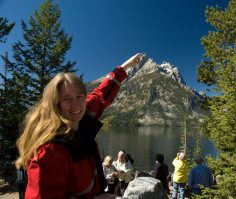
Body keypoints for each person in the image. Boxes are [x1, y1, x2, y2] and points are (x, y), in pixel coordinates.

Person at [15, 53, 143, 199]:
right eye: (67, 99)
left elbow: (100, 95)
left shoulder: (81, 115)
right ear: (56, 104)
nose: (76, 104)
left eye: (79, 97)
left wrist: (125, 67)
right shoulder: (50, 151)